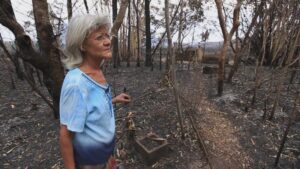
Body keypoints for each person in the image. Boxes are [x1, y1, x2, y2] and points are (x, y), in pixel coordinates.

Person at [59, 14, 131, 169]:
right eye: (99, 38)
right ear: (82, 45)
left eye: (107, 35)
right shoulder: (76, 83)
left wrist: (114, 99)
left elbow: (90, 107)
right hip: (90, 163)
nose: (107, 41)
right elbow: (65, 136)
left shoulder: (97, 72)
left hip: (107, 156)